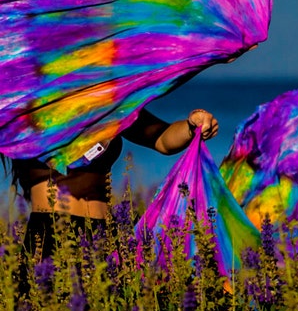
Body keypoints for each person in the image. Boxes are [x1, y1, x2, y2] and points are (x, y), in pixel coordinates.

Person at [11, 107, 219, 261]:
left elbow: (162, 139)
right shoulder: (22, 100)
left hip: (104, 235)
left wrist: (191, 127)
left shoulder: (104, 100)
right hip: (49, 236)